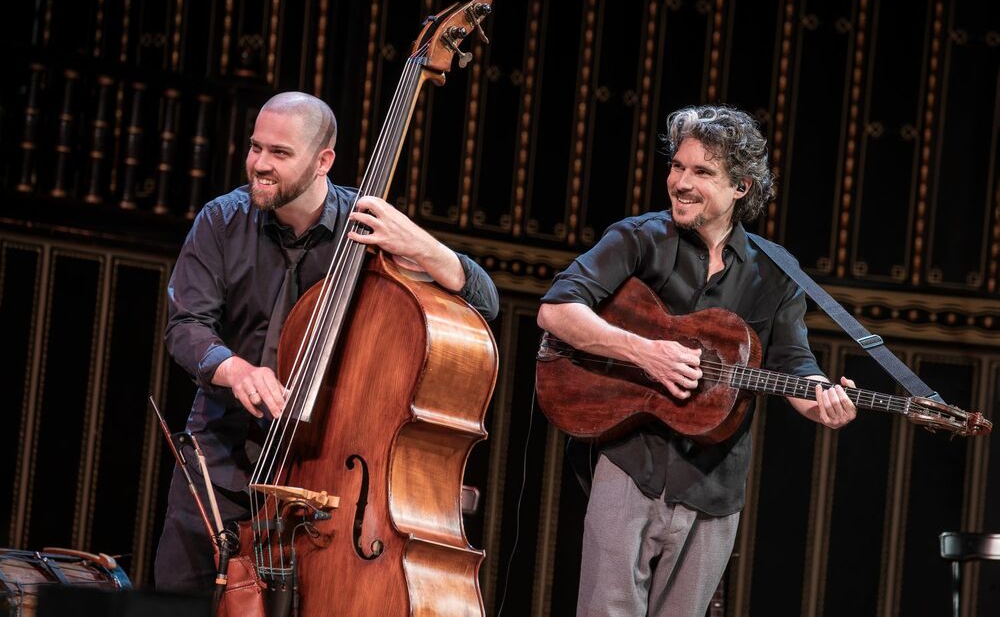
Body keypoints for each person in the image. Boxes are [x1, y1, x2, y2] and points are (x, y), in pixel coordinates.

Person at [154, 91, 499, 591]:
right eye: (256, 148)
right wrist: (238, 370)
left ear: (323, 161)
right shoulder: (221, 221)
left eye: (279, 153)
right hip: (221, 456)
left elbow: (484, 300)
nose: (260, 165)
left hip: (326, 475)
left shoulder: (367, 232)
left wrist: (421, 245)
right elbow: (186, 326)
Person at [536, 105, 857, 617]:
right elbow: (556, 311)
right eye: (677, 166)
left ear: (741, 189)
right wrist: (645, 352)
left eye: (702, 172)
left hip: (714, 484)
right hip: (630, 464)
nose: (680, 183)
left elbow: (796, 363)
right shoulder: (638, 238)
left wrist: (821, 401)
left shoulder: (776, 274)